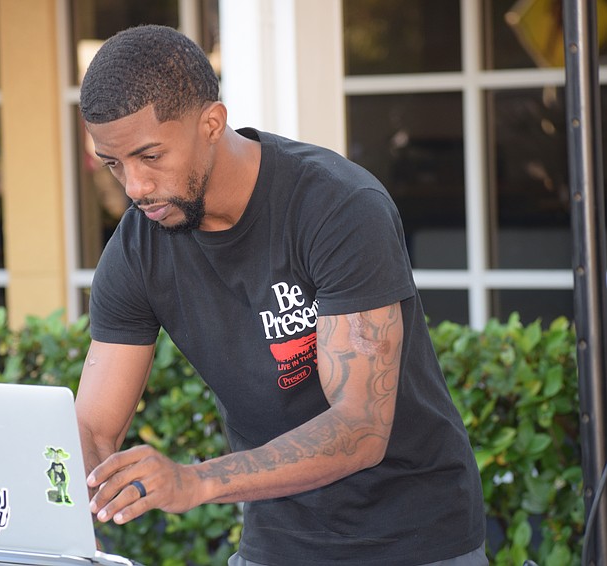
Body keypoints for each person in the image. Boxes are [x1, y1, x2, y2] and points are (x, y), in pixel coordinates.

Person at [74, 24, 487, 566]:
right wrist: (72, 527)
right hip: (276, 543)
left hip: (415, 540)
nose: (134, 187)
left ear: (211, 123)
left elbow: (360, 426)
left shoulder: (338, 206)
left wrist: (195, 482)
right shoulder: (136, 249)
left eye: (150, 157)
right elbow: (94, 428)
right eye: (113, 164)